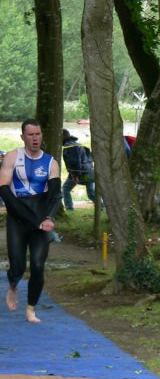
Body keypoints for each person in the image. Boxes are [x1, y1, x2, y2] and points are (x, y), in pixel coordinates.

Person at [0, 119, 61, 323]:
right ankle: (13, 286)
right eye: (31, 135)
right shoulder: (11, 158)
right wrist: (29, 218)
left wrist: (49, 217)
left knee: (37, 264)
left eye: (38, 134)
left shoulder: (51, 163)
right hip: (18, 218)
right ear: (22, 137)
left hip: (40, 219)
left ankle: (31, 308)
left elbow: (55, 195)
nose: (35, 139)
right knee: (17, 265)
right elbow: (4, 191)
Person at [61, 129, 95, 210]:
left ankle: (69, 208)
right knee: (91, 193)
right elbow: (89, 158)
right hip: (88, 171)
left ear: (63, 136)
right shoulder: (77, 144)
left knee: (65, 189)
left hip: (80, 173)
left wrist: (75, 175)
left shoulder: (69, 146)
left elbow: (75, 162)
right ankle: (102, 206)